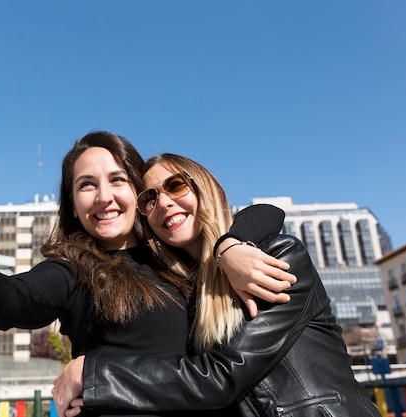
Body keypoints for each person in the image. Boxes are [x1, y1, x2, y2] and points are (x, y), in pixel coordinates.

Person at [0, 111, 295, 417]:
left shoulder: (182, 257)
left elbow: (266, 213)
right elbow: (9, 301)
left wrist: (229, 246)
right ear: (72, 203)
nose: (103, 197)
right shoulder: (75, 269)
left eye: (118, 180)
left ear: (142, 193)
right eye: (86, 185)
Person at [52, 153, 381, 417]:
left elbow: (221, 376)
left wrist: (93, 374)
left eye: (177, 185)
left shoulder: (277, 257)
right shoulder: (185, 291)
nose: (164, 202)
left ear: (204, 189)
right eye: (150, 198)